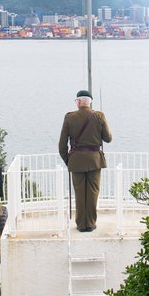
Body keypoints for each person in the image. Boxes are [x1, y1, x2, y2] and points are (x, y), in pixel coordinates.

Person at [58, 89, 113, 232]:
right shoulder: (99, 116)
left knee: (80, 193)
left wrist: (68, 161)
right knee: (93, 192)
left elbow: (62, 144)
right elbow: (108, 138)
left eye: (76, 101)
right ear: (89, 102)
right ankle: (91, 223)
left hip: (76, 161)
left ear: (79, 102)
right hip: (95, 161)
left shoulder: (69, 117)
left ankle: (81, 225)